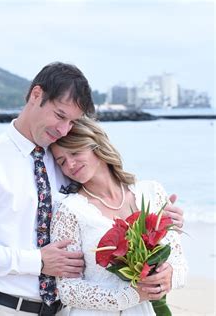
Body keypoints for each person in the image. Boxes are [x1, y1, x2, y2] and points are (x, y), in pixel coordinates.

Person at [0, 62, 185, 316]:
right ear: (36, 95)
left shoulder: (61, 156)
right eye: (60, 115)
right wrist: (37, 261)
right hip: (4, 306)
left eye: (72, 122)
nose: (63, 129)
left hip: (64, 310)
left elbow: (108, 197)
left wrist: (162, 219)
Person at [49, 117, 187, 315]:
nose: (70, 164)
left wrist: (169, 276)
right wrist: (130, 295)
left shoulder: (152, 192)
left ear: (96, 145)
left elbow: (179, 263)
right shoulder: (69, 210)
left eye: (75, 152)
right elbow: (67, 289)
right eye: (61, 161)